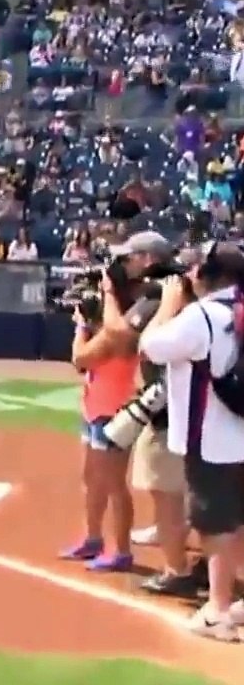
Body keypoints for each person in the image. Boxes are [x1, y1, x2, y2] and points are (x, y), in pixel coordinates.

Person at [138, 241, 244, 642]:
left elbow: (150, 346)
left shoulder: (202, 315)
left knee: (214, 523)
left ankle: (218, 609)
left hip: (211, 436)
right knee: (239, 518)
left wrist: (168, 303)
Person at [99, 231, 198, 596]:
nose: (124, 266)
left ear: (147, 259)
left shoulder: (161, 291)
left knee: (165, 488)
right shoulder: (185, 288)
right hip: (195, 405)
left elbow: (121, 337)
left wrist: (108, 294)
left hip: (169, 407)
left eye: (129, 258)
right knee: (192, 486)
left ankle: (177, 569)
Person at [57, 296, 139, 572]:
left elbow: (80, 358)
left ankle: (122, 551)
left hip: (113, 414)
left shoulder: (116, 336)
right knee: (91, 477)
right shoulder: (103, 332)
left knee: (114, 484)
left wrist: (80, 327)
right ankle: (93, 539)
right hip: (94, 410)